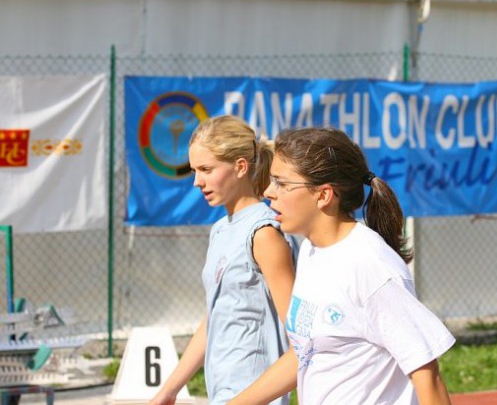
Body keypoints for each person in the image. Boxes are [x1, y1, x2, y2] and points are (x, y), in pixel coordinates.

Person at [229, 127, 455, 405]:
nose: (268, 192)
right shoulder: (313, 249)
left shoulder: (371, 266)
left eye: (282, 184)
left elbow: (428, 377)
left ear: (323, 195)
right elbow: (306, 352)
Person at [150, 115, 296, 405]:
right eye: (194, 170)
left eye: (206, 169)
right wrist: (168, 391)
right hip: (222, 394)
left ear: (240, 167)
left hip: (255, 395)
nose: (196, 181)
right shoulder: (220, 230)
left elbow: (299, 336)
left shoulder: (264, 233)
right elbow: (215, 317)